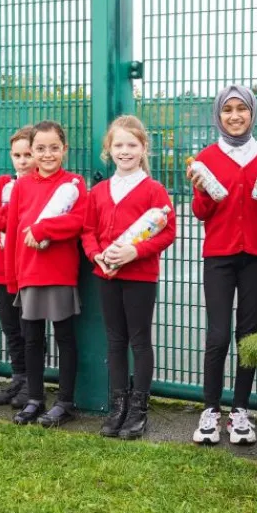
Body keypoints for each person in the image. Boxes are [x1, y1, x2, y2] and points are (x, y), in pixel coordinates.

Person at [189, 85, 257, 445]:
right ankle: (211, 408)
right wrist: (201, 190)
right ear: (218, 115)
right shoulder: (206, 157)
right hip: (219, 254)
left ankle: (240, 410)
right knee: (217, 334)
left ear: (252, 113)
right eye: (227, 109)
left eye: (241, 108)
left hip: (256, 254)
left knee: (248, 334)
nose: (234, 115)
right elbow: (201, 212)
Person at [82, 115, 176, 440]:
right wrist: (97, 254)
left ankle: (138, 409)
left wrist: (133, 253)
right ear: (109, 149)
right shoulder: (99, 191)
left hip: (140, 276)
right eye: (119, 144)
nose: (125, 151)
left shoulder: (154, 190)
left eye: (132, 145)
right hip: (106, 275)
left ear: (143, 148)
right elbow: (88, 231)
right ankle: (117, 405)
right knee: (115, 341)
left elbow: (167, 233)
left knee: (139, 340)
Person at [5, 120, 87, 427]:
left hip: (60, 273)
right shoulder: (22, 185)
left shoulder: (75, 183)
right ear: (31, 150)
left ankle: (65, 401)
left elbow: (78, 222)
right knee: (32, 340)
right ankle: (35, 399)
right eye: (40, 148)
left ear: (64, 149)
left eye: (54, 148)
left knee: (65, 338)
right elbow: (13, 230)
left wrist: (43, 228)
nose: (47, 154)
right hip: (28, 274)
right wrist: (14, 278)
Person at [0, 126, 35, 408]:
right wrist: (5, 218)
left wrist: (1, 218)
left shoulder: (39, 187)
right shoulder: (3, 183)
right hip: (3, 270)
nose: (23, 160)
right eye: (17, 155)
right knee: (11, 327)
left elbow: (24, 219)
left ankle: (32, 384)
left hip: (29, 271)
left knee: (30, 330)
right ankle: (18, 376)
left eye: (28, 154)